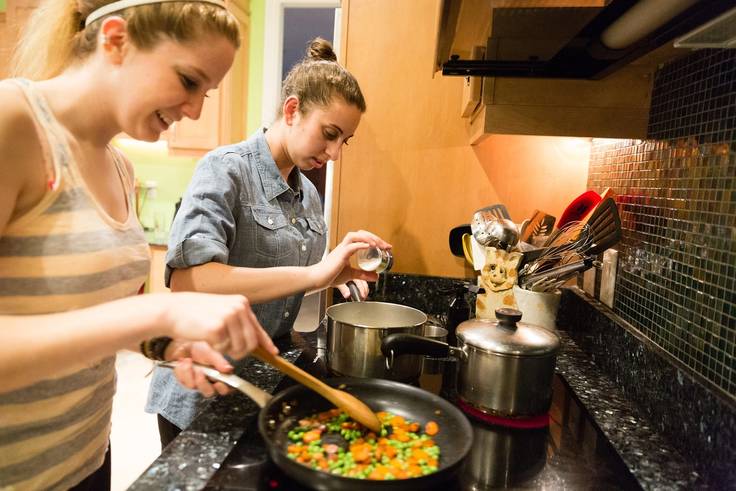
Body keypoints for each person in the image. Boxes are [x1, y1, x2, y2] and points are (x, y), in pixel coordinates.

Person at [0, 1, 279, 490]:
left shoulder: (120, 166)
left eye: (207, 93)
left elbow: (96, 319)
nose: (194, 109)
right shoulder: (14, 122)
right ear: (115, 40)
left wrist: (168, 343)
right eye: (190, 81)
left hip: (85, 461)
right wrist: (158, 315)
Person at [145, 37, 390, 448]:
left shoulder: (308, 196)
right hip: (204, 388)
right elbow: (191, 283)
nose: (334, 153)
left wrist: (329, 276)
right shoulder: (225, 170)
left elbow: (275, 285)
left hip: (261, 380)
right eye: (328, 134)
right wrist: (315, 270)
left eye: (343, 140)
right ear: (292, 110)